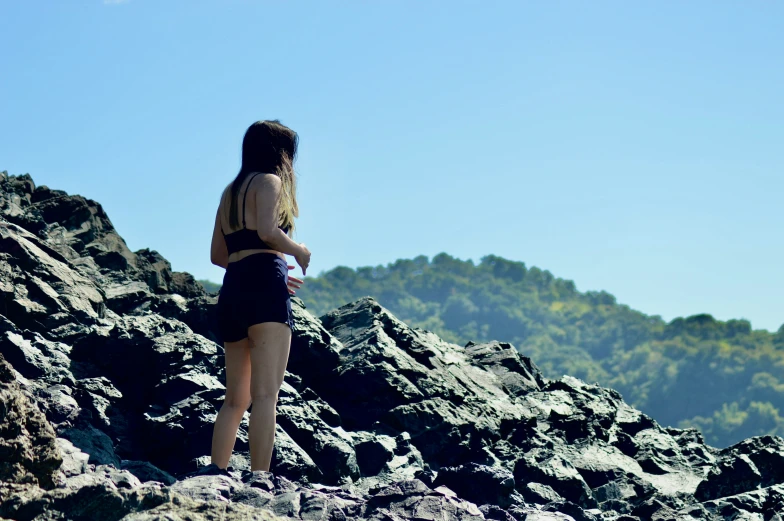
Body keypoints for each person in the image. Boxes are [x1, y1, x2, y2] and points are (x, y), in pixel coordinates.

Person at [209, 119, 311, 472]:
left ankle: (216, 473)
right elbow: (268, 231)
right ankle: (259, 481)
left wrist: (271, 271)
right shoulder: (270, 181)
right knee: (266, 395)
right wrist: (297, 252)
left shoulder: (229, 193)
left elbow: (217, 256)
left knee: (235, 398)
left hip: (234, 288)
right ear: (279, 153)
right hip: (264, 288)